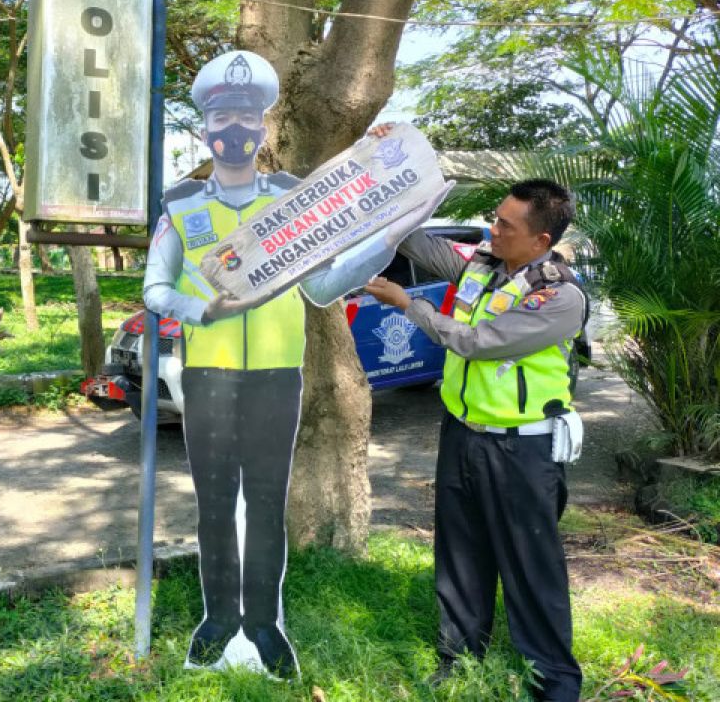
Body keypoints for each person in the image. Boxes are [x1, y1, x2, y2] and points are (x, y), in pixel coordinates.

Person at [143, 51, 442, 679]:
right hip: (208, 374)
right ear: (205, 127)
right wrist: (203, 312)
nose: (236, 130)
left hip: (278, 374)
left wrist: (387, 239)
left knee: (268, 500)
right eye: (223, 116)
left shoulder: (291, 200)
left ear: (264, 128)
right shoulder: (182, 206)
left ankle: (261, 623)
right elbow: (154, 290)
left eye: (248, 118)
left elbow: (326, 283)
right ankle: (218, 619)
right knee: (216, 502)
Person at [364, 176, 587, 702]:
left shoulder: (557, 296)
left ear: (541, 241)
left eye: (505, 225)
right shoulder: (481, 264)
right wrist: (379, 189)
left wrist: (407, 305)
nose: (493, 229)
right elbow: (414, 241)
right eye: (495, 217)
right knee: (461, 555)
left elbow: (478, 343)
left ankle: (553, 680)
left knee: (531, 567)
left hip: (522, 449)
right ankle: (459, 658)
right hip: (462, 435)